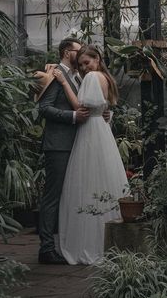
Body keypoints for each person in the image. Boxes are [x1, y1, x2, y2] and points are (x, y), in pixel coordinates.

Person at [53, 45, 128, 265]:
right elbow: (104, 107)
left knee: (87, 181)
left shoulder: (93, 77)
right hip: (101, 131)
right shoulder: (105, 77)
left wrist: (64, 82)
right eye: (81, 65)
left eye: (88, 62)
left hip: (91, 131)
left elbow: (80, 107)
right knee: (102, 178)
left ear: (98, 59)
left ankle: (90, 242)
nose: (85, 68)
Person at [36, 37, 89, 265]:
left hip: (74, 145)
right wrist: (73, 116)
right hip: (58, 146)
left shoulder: (76, 76)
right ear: (68, 52)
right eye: (79, 50)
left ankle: (66, 245)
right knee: (52, 197)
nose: (83, 54)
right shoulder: (55, 75)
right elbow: (44, 108)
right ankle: (46, 249)